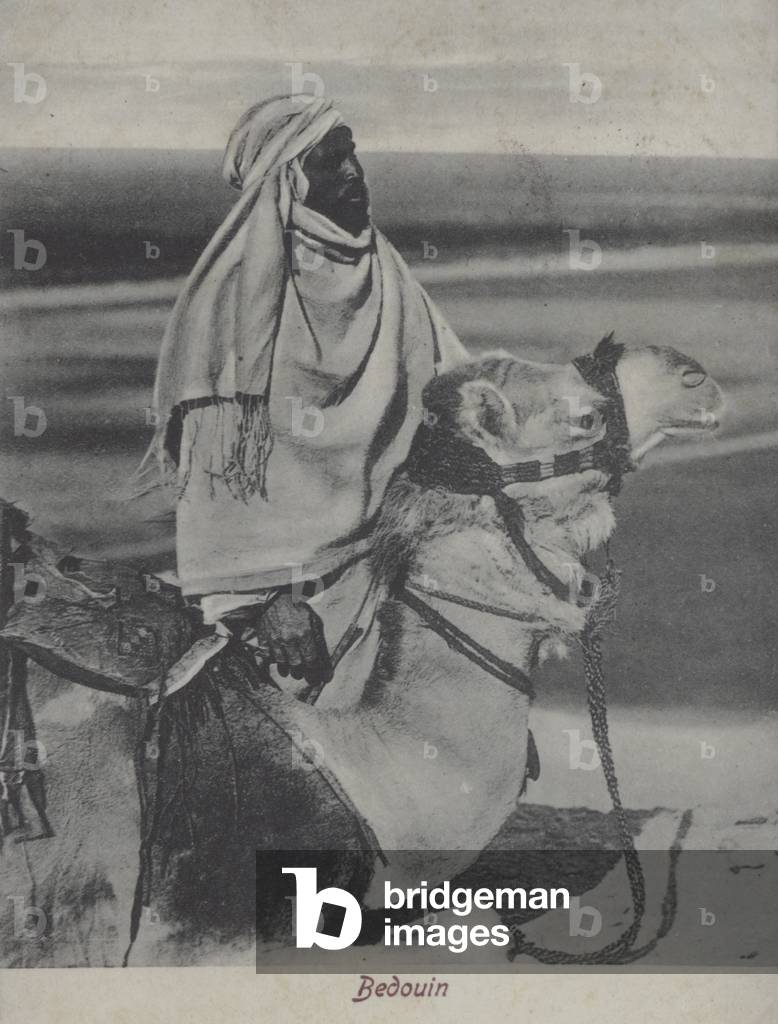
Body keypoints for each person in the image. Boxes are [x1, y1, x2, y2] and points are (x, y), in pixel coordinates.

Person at [141, 94, 468, 693]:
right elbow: (218, 471)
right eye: (329, 162)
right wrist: (268, 603)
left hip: (396, 568)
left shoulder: (385, 272)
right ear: (288, 178)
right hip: (287, 608)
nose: (352, 175)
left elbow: (457, 396)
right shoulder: (235, 298)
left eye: (353, 157)